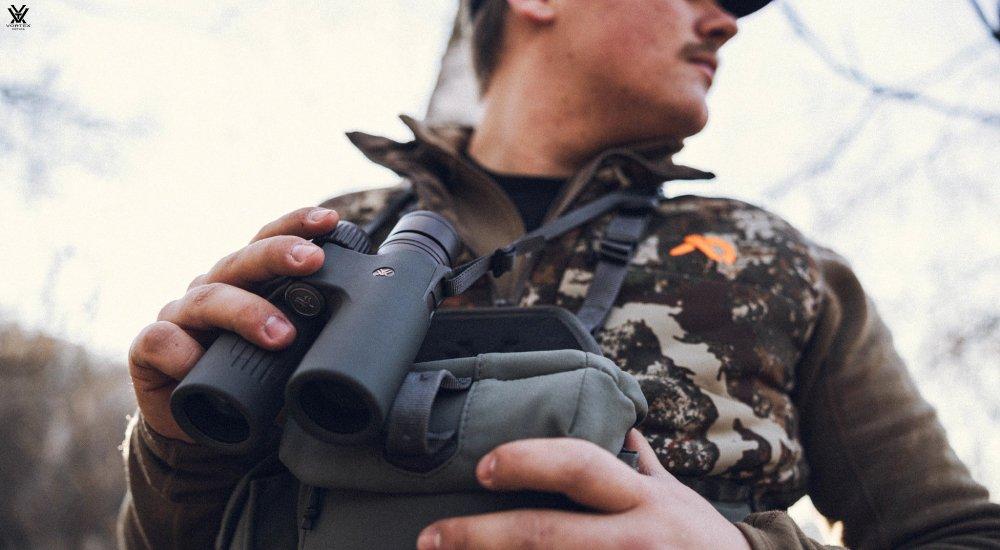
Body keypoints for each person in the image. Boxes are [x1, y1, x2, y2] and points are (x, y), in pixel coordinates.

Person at [119, 0, 1000, 548]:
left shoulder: (781, 264)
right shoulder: (329, 240)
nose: (726, 21)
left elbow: (958, 535)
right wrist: (177, 449)